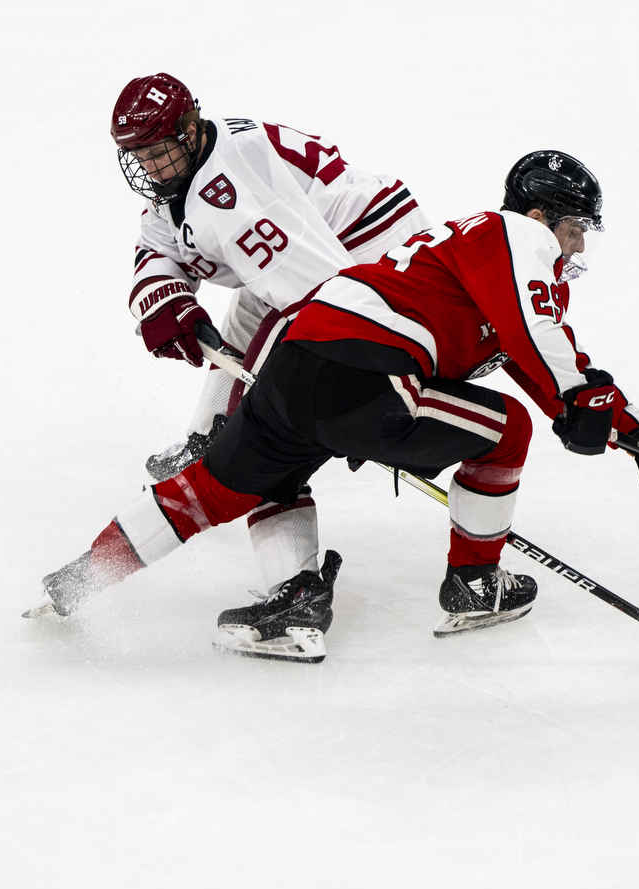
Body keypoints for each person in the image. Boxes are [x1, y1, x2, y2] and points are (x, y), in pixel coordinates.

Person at [26, 150, 639, 663]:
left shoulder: (476, 263)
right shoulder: (511, 236)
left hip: (296, 362)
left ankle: (81, 580)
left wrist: (627, 427)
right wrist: (602, 412)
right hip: (365, 375)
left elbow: (544, 358)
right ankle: (474, 586)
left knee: (206, 493)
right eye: (576, 228)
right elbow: (543, 344)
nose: (579, 244)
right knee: (508, 429)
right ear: (538, 216)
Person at [103, 72, 429, 633]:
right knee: (254, 328)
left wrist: (359, 386)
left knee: (271, 427)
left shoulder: (234, 199)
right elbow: (157, 245)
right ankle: (209, 439)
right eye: (137, 155)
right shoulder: (198, 165)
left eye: (156, 151)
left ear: (187, 129)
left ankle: (294, 589)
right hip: (339, 252)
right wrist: (163, 299)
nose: (148, 168)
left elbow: (324, 295)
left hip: (375, 262)